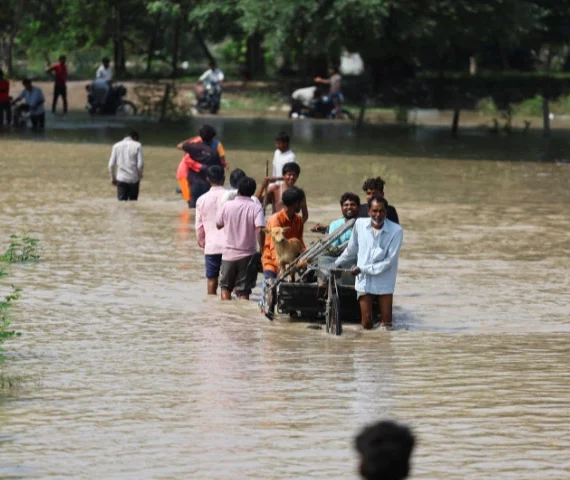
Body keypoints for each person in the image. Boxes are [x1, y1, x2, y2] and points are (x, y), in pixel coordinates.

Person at [335, 196, 403, 329]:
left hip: (385, 279)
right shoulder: (360, 224)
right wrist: (337, 263)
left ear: (386, 212)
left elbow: (389, 262)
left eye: (381, 211)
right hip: (364, 280)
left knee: (387, 324)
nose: (378, 215)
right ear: (369, 211)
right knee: (366, 322)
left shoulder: (396, 231)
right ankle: (368, 347)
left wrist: (362, 269)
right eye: (375, 211)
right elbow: (351, 249)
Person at [216, 176, 265, 300]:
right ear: (253, 192)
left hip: (228, 254)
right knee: (244, 291)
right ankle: (242, 318)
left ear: (238, 190)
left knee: (225, 288)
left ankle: (226, 316)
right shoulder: (256, 207)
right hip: (248, 255)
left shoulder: (227, 205)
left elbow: (218, 225)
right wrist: (263, 249)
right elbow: (260, 229)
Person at [262, 186, 306, 284]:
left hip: (291, 262)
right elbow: (274, 248)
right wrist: (282, 268)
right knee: (270, 293)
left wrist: (306, 257)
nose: (303, 205)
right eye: (301, 202)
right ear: (296, 203)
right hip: (273, 263)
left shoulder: (298, 220)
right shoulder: (275, 220)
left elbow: (300, 242)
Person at [176, 124, 228, 207]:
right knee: (205, 207)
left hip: (194, 183)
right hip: (207, 184)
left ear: (200, 136)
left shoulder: (192, 147)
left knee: (193, 207)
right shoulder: (213, 153)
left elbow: (179, 145)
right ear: (212, 138)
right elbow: (220, 166)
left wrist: (195, 138)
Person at [196, 166, 227, 295]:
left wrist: (203, 244)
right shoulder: (231, 196)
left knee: (211, 279)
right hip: (230, 246)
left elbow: (199, 227)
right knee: (230, 282)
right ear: (224, 179)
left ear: (208, 179)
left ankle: (211, 308)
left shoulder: (201, 200)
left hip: (211, 246)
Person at [108, 131, 144, 201]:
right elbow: (140, 164)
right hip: (134, 179)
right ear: (135, 137)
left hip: (121, 178)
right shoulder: (138, 145)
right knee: (133, 203)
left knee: (122, 203)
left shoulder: (116, 146)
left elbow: (111, 165)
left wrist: (113, 178)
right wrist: (139, 176)